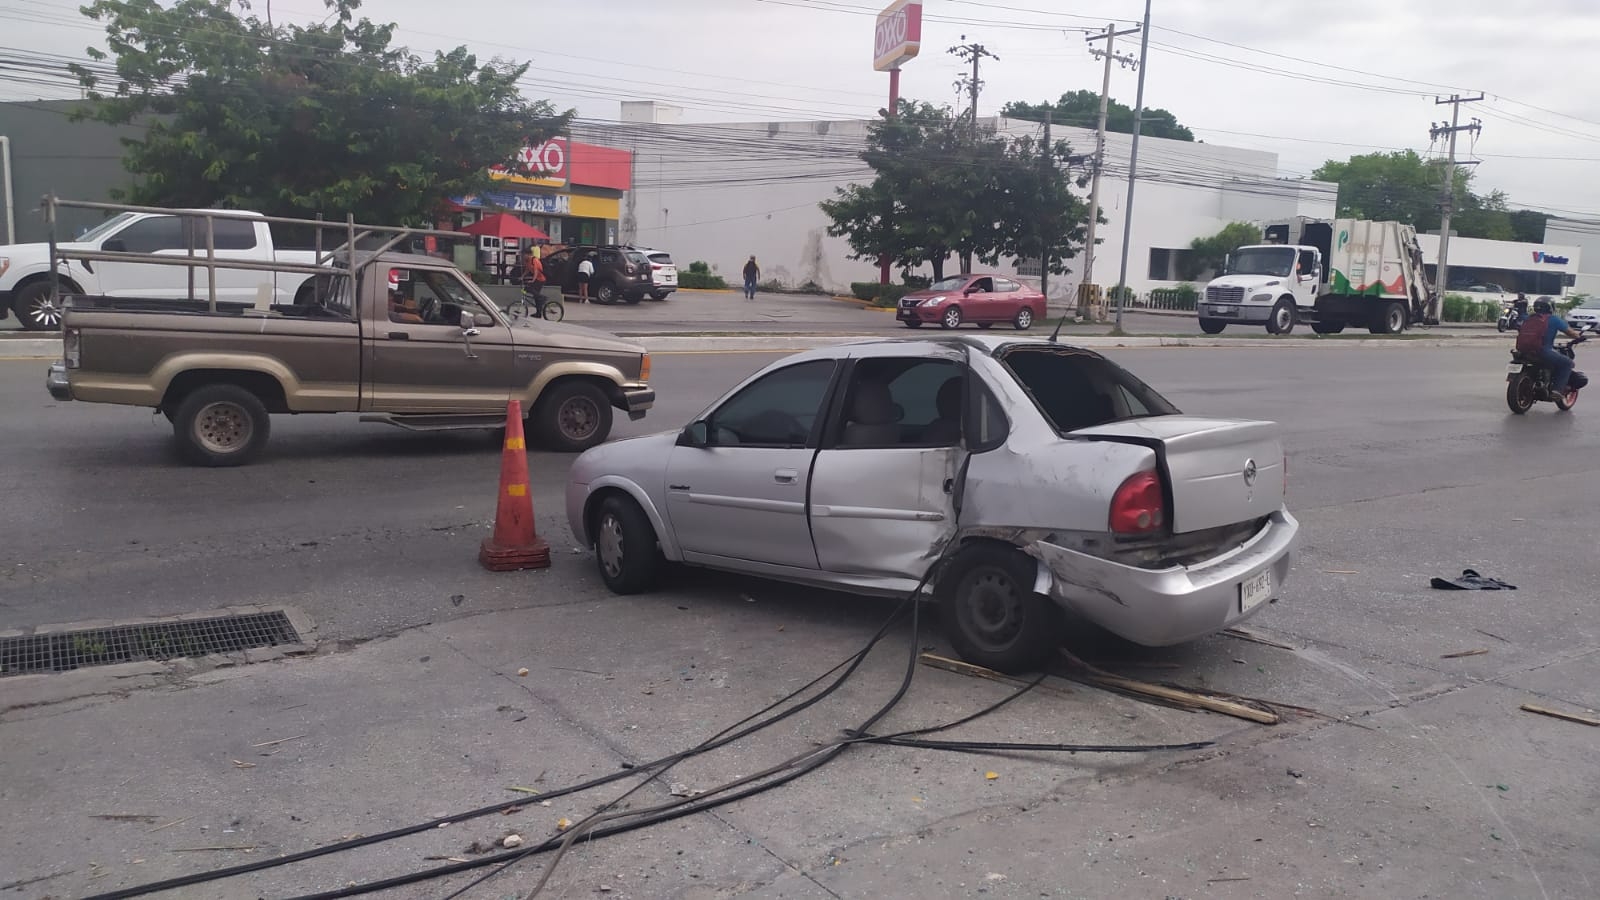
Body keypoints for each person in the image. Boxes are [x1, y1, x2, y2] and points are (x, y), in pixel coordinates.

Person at [1517, 298, 1584, 398]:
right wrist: (1579, 337)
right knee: (1567, 363)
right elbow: (1570, 332)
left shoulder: (1528, 318)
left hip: (1523, 351)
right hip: (1543, 351)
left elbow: (1518, 324)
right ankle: (1557, 390)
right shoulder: (1553, 319)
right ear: (1550, 307)